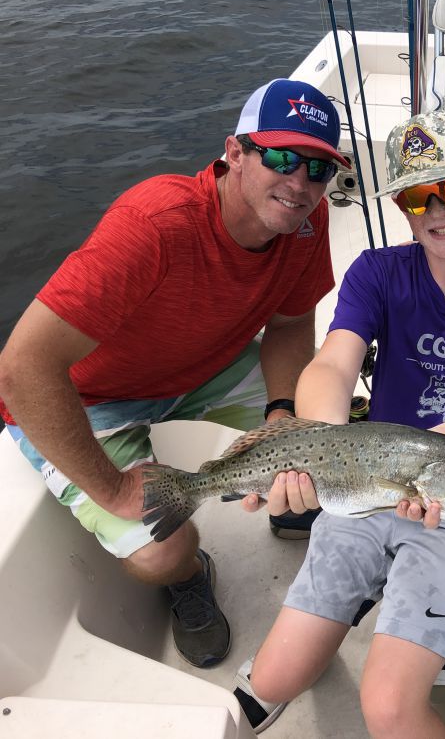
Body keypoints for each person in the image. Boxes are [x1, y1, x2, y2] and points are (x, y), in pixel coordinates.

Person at [231, 109, 445, 737]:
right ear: (404, 208)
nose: (437, 208)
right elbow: (331, 364)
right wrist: (319, 442)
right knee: (271, 681)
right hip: (359, 496)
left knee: (388, 708)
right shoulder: (377, 271)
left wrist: (428, 463)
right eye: (417, 195)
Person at [0, 78, 346, 668]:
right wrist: (112, 490)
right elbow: (22, 367)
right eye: (282, 159)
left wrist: (284, 416)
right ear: (234, 153)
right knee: (163, 551)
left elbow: (289, 329)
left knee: (333, 423)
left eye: (317, 170)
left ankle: (292, 503)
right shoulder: (155, 223)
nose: (299, 184)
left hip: (204, 367)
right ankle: (191, 575)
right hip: (90, 398)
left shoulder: (303, 226)